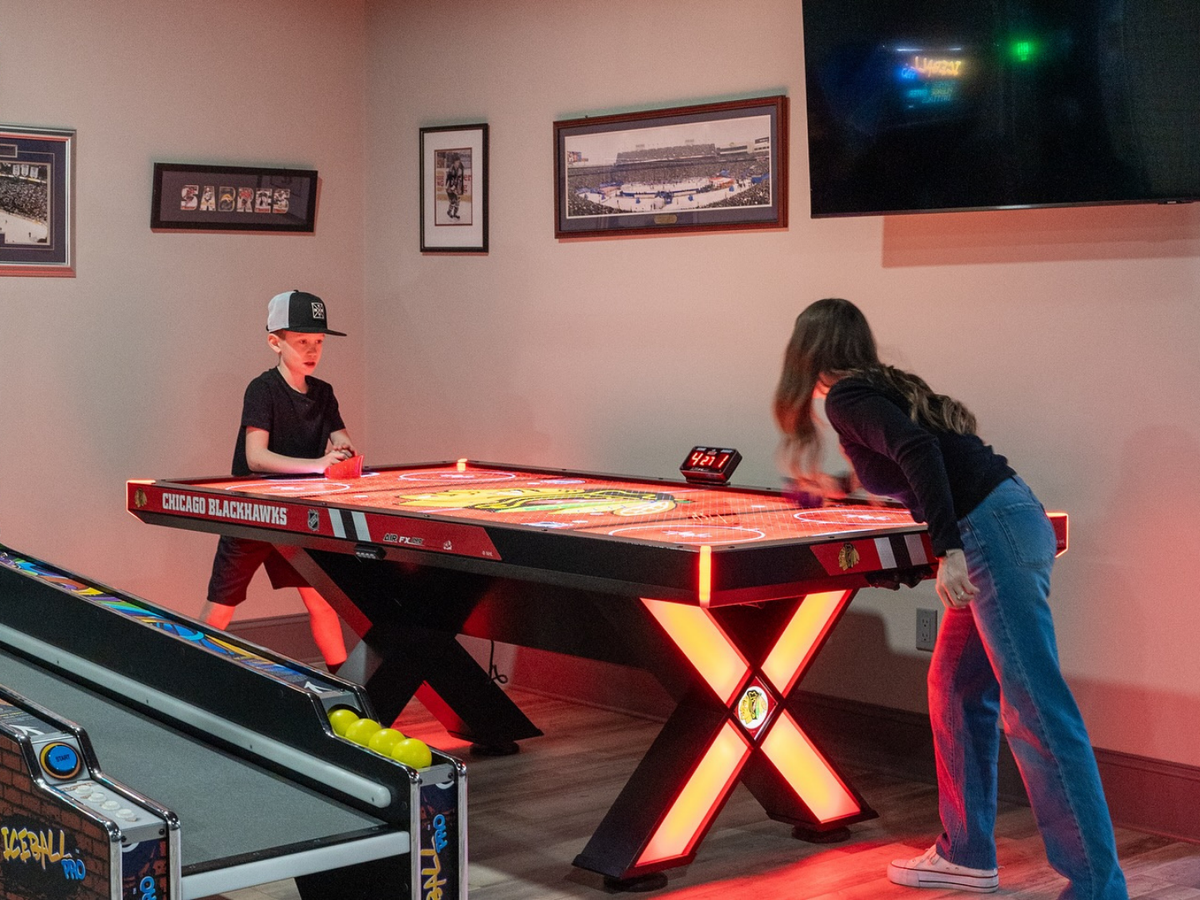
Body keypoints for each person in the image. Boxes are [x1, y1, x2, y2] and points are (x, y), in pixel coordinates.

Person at [773, 298, 1127, 900]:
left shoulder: (846, 398)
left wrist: (950, 550)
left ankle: (1098, 887)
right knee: (956, 687)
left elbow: (919, 451)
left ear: (805, 351)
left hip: (988, 534)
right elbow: (908, 461)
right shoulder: (877, 389)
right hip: (1008, 520)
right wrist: (835, 486)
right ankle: (965, 855)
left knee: (1036, 712)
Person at [199, 289, 356, 671]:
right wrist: (317, 464)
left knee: (321, 601)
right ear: (275, 342)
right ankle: (191, 675)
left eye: (318, 342)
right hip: (252, 513)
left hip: (297, 516)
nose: (312, 350)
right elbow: (256, 457)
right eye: (302, 341)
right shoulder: (262, 389)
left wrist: (344, 452)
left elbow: (342, 440)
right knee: (221, 606)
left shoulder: (323, 393)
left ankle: (344, 683)